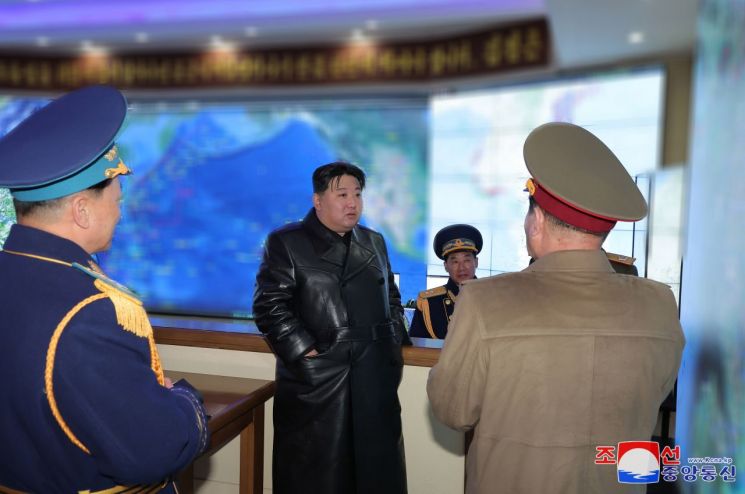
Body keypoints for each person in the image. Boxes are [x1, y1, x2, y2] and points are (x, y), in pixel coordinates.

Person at [427, 122, 684, 494]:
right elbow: (656, 394)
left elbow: (454, 410)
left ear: (537, 221)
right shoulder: (659, 304)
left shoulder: (485, 301)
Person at [0, 85, 209, 493]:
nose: (119, 212)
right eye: (117, 199)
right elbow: (154, 450)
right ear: (82, 210)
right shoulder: (90, 313)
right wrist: (185, 401)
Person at [253, 161, 408, 494]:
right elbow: (269, 305)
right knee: (318, 475)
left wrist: (392, 339)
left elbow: (392, 298)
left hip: (374, 375)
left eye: (357, 194)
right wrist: (306, 352)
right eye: (342, 195)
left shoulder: (374, 241)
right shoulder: (287, 242)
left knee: (376, 472)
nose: (352, 203)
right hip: (321, 380)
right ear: (318, 200)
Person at [409, 224, 482, 339]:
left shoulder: (491, 297)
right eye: (455, 261)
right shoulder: (429, 303)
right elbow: (417, 344)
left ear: (476, 262)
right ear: (446, 266)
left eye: (467, 260)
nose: (461, 268)